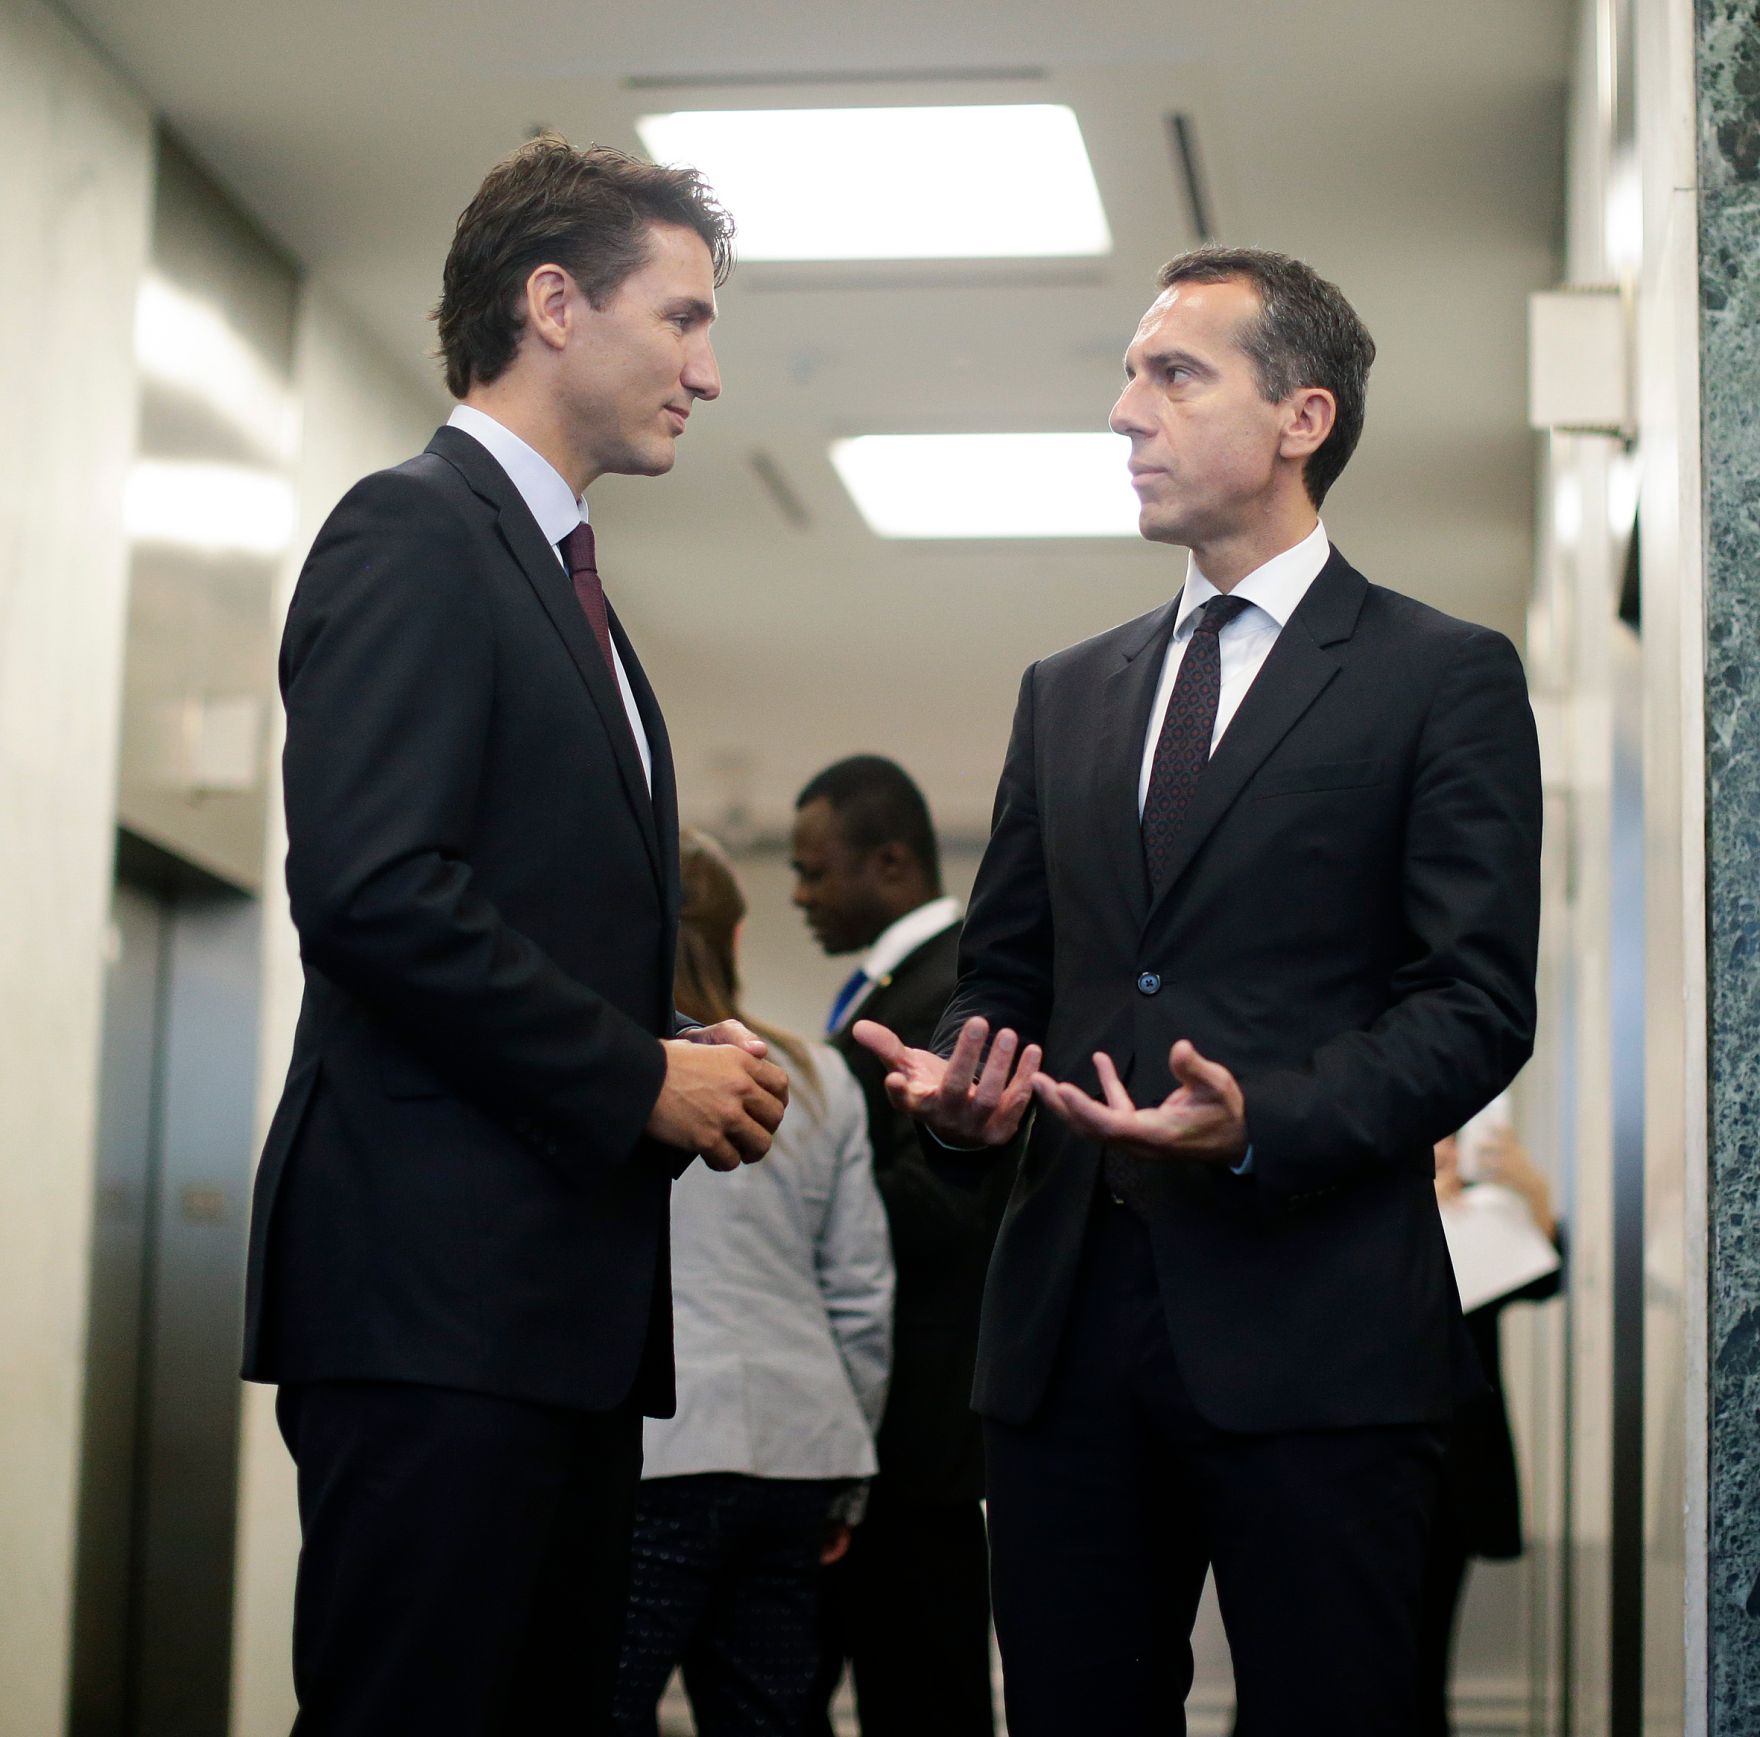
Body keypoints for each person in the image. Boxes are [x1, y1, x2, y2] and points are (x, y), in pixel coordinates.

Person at [853, 244, 1543, 1736]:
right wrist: (964, 1105)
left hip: (1320, 1335)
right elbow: (1015, 980)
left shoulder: (1443, 676)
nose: (1124, 411)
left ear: (1303, 417)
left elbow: (1476, 1001)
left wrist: (1259, 1125)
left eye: (1173, 373)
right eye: (1128, 373)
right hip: (1063, 1338)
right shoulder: (1068, 690)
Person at [241, 136, 791, 1737]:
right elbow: (370, 892)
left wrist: (674, 1051)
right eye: (681, 320)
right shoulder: (412, 532)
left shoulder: (571, 590)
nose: (707, 369)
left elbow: (515, 906)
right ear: (553, 302)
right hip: (432, 1311)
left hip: (550, 1321)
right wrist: (636, 1079)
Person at [611, 831, 893, 1737]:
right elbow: (859, 1296)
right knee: (770, 1720)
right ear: (736, 941)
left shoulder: (617, 1072)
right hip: (795, 1453)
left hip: (650, 1459)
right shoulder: (819, 1079)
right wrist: (843, 1482)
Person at [791, 757, 1003, 1737]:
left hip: (921, 1420)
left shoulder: (954, 986)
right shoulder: (888, 984)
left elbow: (953, 1205)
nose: (797, 893)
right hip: (883, 1416)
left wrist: (792, 1192)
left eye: (813, 870)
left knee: (922, 1693)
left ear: (887, 863)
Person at [1424, 1123, 1562, 1737]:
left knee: (1427, 1654)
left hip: (1456, 1467)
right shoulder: (1362, 1222)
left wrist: (1529, 1189)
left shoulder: (1481, 1219)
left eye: (1451, 1141)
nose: (1443, 1154)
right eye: (1432, 1140)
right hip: (1364, 1459)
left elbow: (1546, 1276)